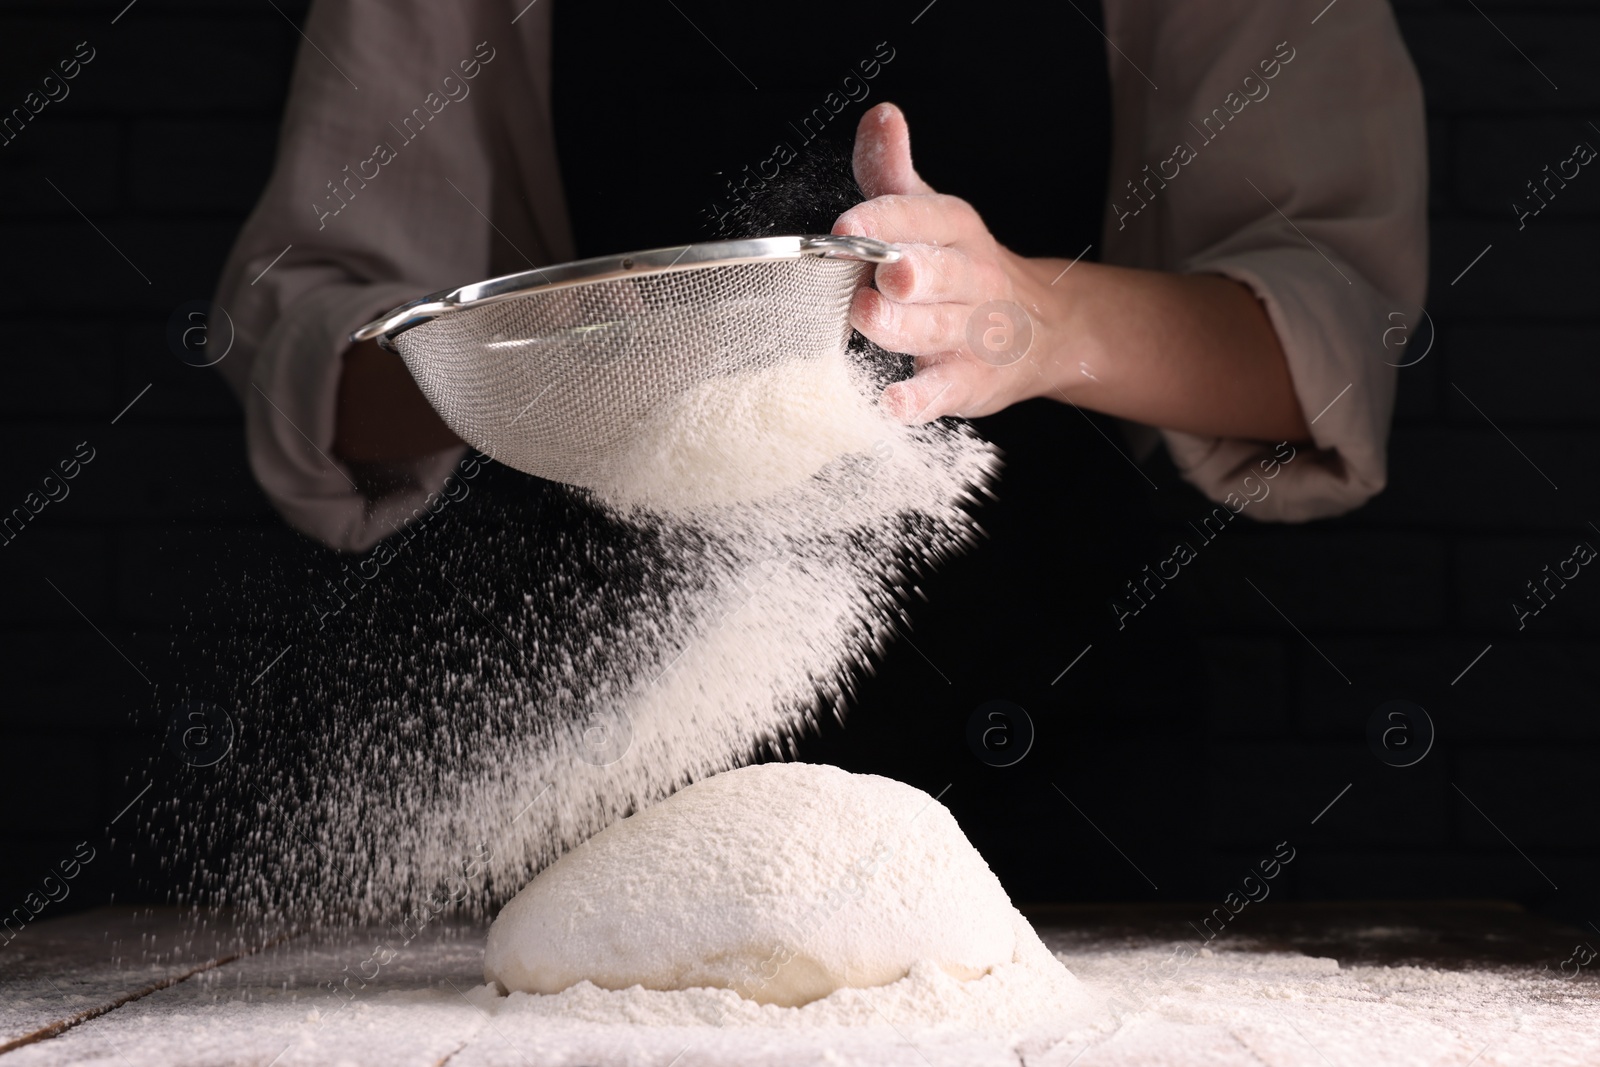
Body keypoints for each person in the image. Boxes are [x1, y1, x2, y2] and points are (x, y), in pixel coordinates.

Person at [213, 0, 1427, 897]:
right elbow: (310, 350)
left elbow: (1329, 338)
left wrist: (1032, 318)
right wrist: (549, 356)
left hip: (1058, 727)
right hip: (608, 736)